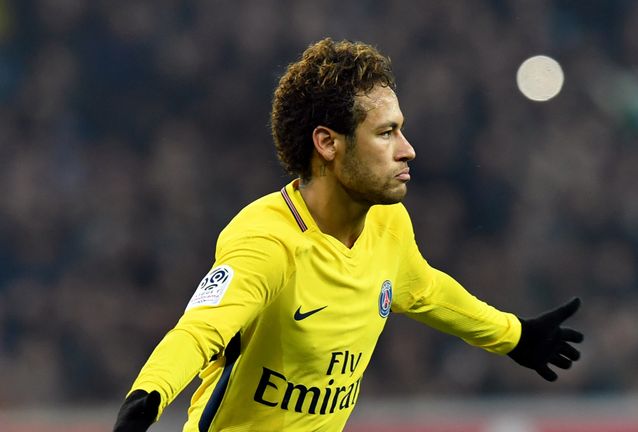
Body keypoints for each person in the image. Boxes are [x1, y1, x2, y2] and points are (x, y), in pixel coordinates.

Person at [113, 38, 584, 432]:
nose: (408, 150)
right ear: (327, 143)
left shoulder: (387, 224)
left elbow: (425, 291)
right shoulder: (268, 241)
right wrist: (146, 399)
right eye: (386, 133)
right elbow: (199, 332)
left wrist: (514, 336)